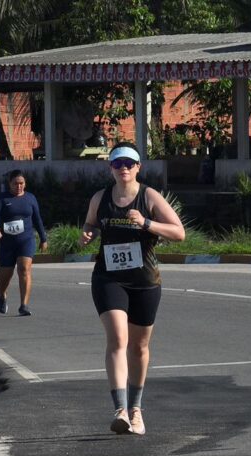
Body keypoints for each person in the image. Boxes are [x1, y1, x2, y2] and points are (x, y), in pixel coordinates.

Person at [79, 142, 185, 435]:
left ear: (138, 167)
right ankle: (120, 410)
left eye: (129, 163)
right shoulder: (100, 198)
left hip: (144, 281)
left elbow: (178, 232)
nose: (123, 168)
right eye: (117, 164)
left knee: (138, 347)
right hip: (109, 278)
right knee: (117, 338)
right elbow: (90, 224)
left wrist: (147, 222)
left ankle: (136, 410)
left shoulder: (149, 196)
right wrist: (87, 233)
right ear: (110, 168)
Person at [0, 170, 47, 316]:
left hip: (26, 240)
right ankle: (2, 294)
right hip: (7, 243)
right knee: (5, 274)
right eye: (15, 183)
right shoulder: (3, 198)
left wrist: (43, 238)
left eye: (21, 183)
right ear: (10, 184)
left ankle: (24, 305)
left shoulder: (30, 198)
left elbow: (38, 219)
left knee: (24, 269)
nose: (19, 186)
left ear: (25, 183)